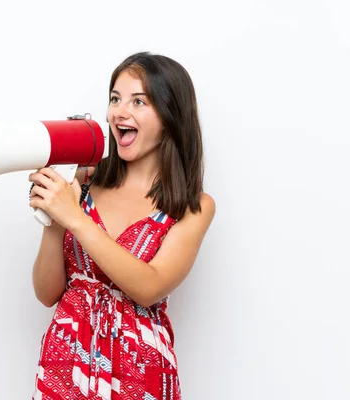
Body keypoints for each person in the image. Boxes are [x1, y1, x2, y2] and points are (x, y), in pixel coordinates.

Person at [28, 51, 216, 400]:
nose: (119, 112)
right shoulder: (86, 183)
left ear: (170, 115)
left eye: (139, 101)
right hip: (64, 365)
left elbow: (149, 287)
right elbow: (46, 293)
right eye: (115, 98)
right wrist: (53, 219)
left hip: (139, 374)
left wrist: (74, 218)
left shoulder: (193, 206)